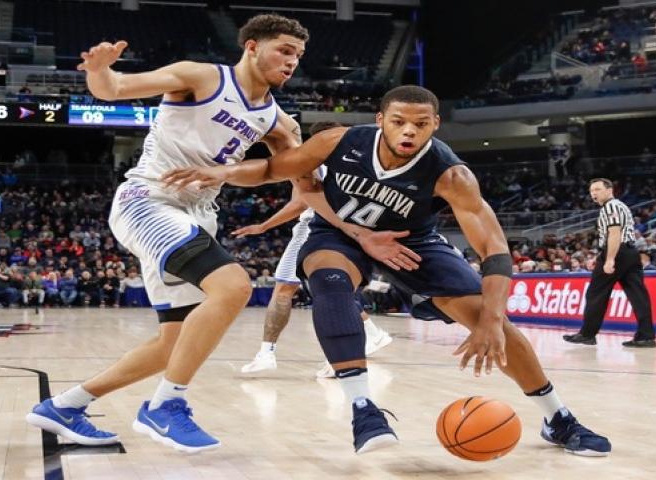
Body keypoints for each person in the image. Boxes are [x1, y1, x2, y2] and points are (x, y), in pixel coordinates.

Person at [26, 14, 408, 453]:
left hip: (197, 216)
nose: (292, 62)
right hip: (148, 200)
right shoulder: (201, 77)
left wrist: (358, 233)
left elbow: (306, 190)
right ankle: (165, 406)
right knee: (234, 286)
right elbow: (114, 89)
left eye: (298, 55)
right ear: (252, 46)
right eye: (284, 51)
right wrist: (99, 69)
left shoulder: (278, 122)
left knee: (174, 344)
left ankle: (66, 406)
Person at [164, 85, 611, 457]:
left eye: (421, 123)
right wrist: (222, 172)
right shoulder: (340, 141)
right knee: (330, 283)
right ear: (381, 120)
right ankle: (363, 409)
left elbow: (494, 248)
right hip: (340, 234)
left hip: (412, 242)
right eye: (399, 121)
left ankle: (557, 418)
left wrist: (493, 318)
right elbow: (271, 168)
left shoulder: (451, 175)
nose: (409, 130)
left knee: (487, 320)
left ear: (435, 124)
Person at [237, 122, 392, 376]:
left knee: (288, 290)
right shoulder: (359, 161)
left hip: (316, 227)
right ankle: (372, 335)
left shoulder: (312, 160)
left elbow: (300, 202)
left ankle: (272, 353)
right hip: (350, 228)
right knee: (336, 291)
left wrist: (264, 226)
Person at [564, 179, 656, 348]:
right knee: (638, 295)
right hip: (631, 253)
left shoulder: (611, 207)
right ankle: (646, 336)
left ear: (609, 190)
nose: (594, 193)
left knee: (596, 293)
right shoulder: (621, 206)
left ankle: (587, 334)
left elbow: (614, 233)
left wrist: (609, 259)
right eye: (591, 190)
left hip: (617, 252)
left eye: (598, 189)